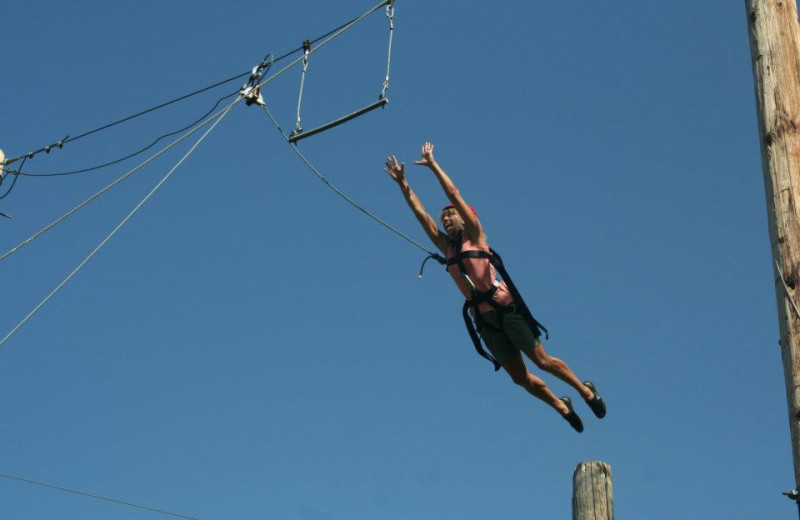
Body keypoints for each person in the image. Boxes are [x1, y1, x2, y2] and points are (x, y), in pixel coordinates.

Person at [383, 142, 606, 432]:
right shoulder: (446, 245)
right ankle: (560, 405)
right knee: (519, 377)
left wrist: (434, 166)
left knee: (542, 362)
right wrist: (403, 184)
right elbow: (420, 214)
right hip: (485, 321)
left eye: (451, 215)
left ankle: (585, 390)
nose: (446, 219)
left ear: (464, 217)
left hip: (506, 309)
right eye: (444, 217)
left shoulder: (475, 235)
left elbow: (454, 194)